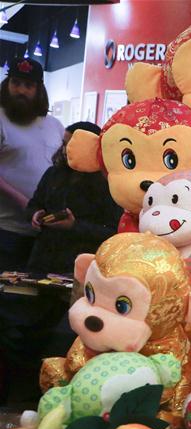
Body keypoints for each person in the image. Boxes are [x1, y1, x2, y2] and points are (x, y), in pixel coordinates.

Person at [27, 122, 119, 274]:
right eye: (64, 144)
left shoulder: (107, 183)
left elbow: (112, 231)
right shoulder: (53, 173)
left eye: (71, 145)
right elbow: (34, 204)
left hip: (79, 262)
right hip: (43, 258)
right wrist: (35, 214)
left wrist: (74, 226)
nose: (65, 150)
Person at [0, 58, 64, 270]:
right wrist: (25, 202)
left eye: (29, 85)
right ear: (7, 84)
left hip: (43, 233)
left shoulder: (54, 126)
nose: (21, 90)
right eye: (16, 83)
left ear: (39, 90)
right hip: (5, 228)